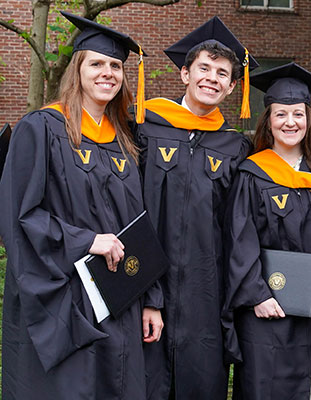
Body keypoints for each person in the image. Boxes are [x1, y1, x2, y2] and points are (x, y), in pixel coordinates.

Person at [0, 11, 163, 399]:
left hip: (120, 293)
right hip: (64, 295)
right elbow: (19, 215)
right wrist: (86, 240)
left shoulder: (126, 140)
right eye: (97, 63)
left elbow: (141, 224)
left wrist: (152, 300)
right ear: (78, 69)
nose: (108, 72)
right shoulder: (40, 128)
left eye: (115, 66)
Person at [135, 16, 258, 400]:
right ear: (185, 74)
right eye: (204, 68)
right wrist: (145, 295)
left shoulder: (235, 147)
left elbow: (240, 225)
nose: (213, 78)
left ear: (233, 86)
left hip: (208, 294)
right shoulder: (146, 129)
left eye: (223, 73)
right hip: (146, 284)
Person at [221, 62, 311, 400]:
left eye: (298, 114)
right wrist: (257, 294)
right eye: (281, 114)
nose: (290, 122)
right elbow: (239, 240)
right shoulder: (252, 173)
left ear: (309, 119)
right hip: (267, 307)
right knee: (266, 387)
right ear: (268, 121)